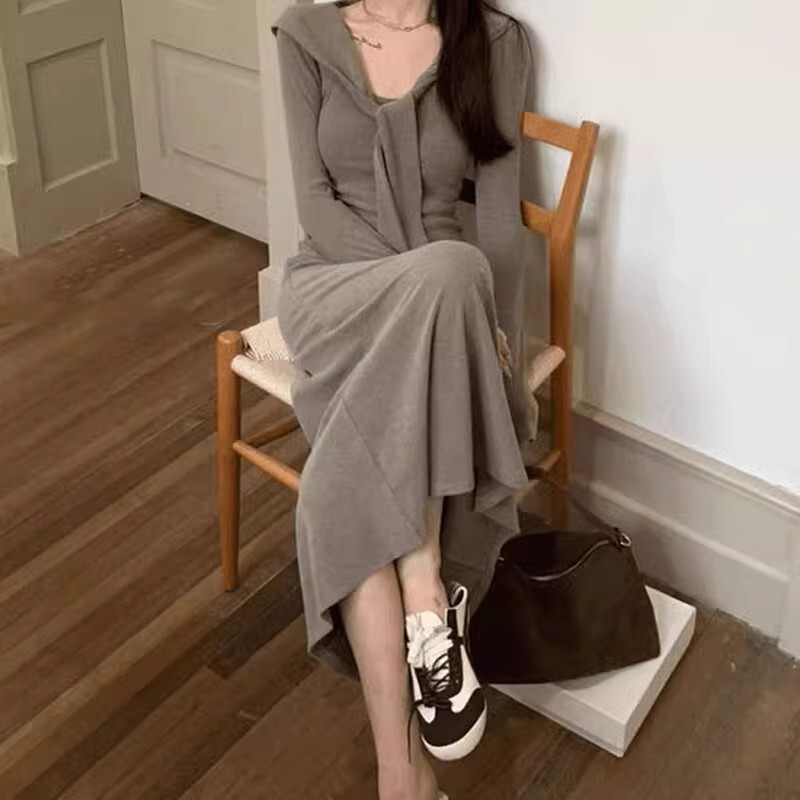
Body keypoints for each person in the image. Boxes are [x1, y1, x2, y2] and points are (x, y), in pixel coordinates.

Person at [268, 2, 536, 798]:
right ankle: (427, 584)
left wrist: (499, 352)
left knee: (344, 487)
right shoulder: (306, 34)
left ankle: (402, 777)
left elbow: (499, 219)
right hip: (336, 291)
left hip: (447, 302)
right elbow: (314, 204)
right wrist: (418, 293)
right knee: (447, 273)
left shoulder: (493, 42)